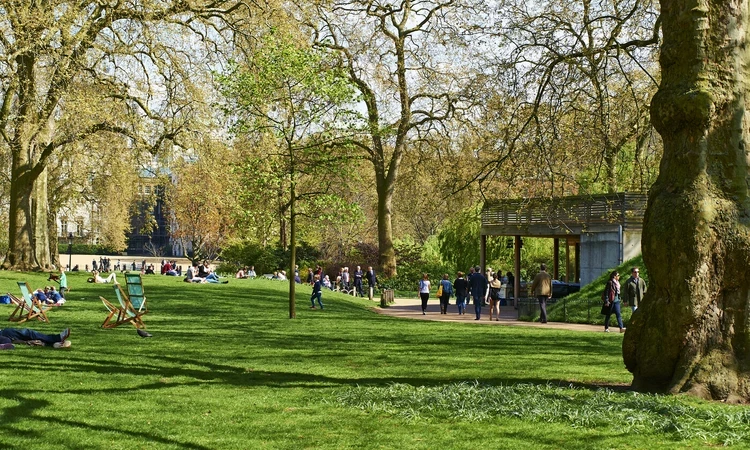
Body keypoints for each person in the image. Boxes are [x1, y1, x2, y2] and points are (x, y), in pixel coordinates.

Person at [0, 327, 71, 349]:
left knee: (27, 335)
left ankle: (54, 344)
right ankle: (57, 338)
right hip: (3, 333)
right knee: (27, 333)